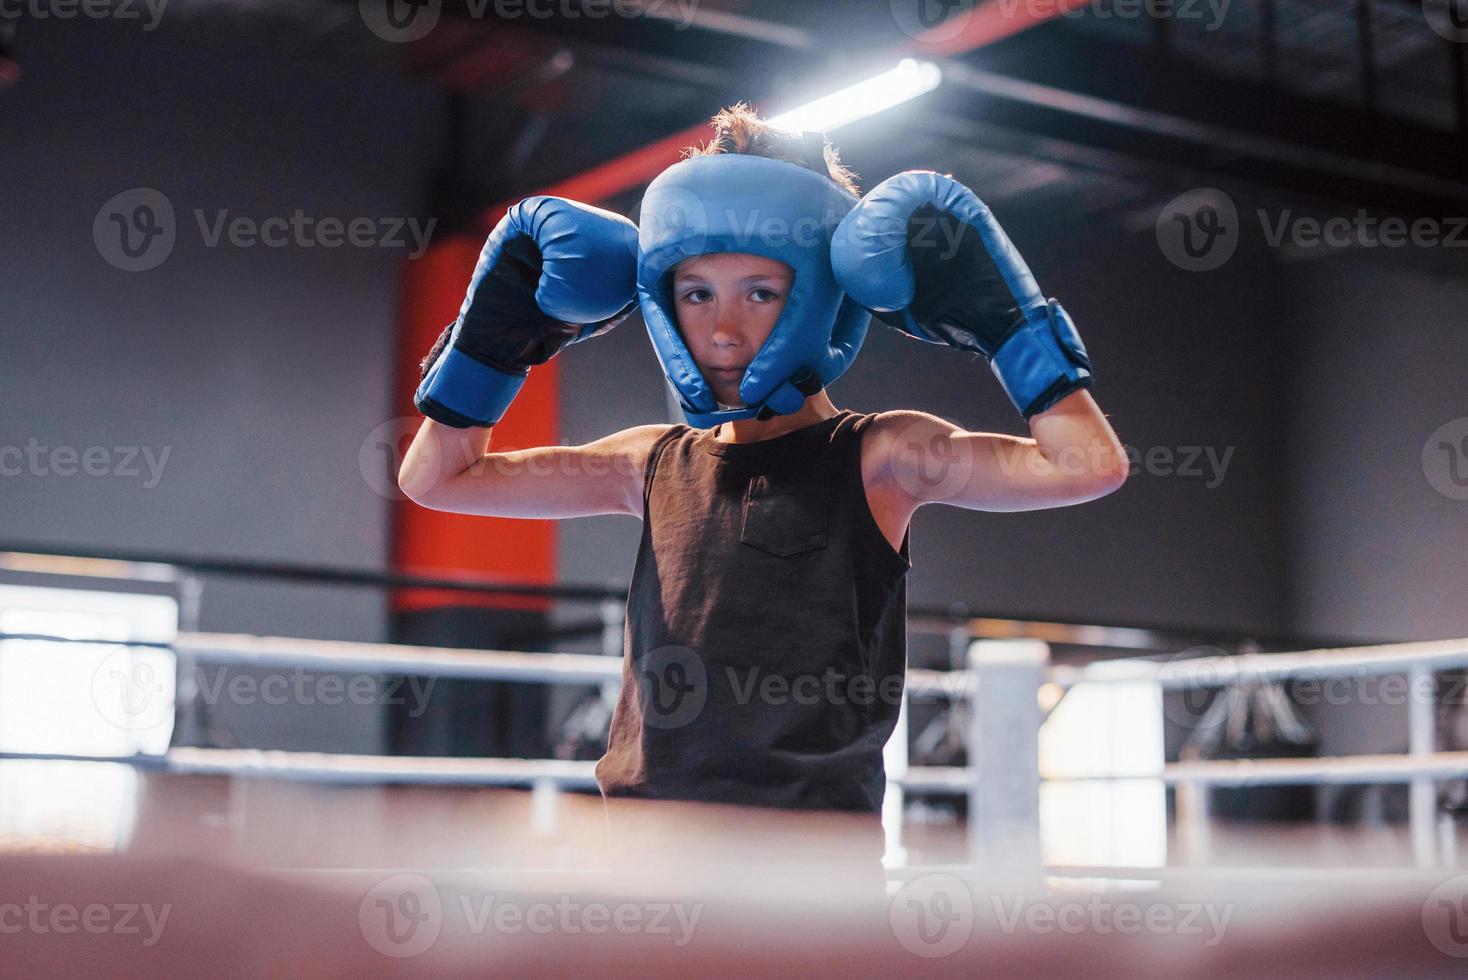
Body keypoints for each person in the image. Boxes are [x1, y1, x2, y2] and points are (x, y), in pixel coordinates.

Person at [398, 104, 1127, 886]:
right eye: (697, 293)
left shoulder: (878, 456)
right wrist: (493, 341)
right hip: (642, 867)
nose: (722, 330)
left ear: (820, 295)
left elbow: (1087, 464)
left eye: (760, 293)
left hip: (806, 881)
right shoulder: (648, 462)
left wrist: (1008, 328)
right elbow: (437, 477)